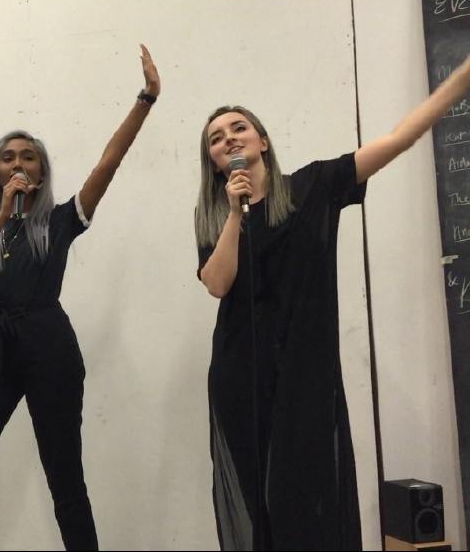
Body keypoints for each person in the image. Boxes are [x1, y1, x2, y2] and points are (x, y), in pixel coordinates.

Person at [194, 54, 470, 550]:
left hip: (305, 371)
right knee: (259, 501)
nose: (229, 138)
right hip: (242, 372)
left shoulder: (313, 186)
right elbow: (217, 284)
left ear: (262, 141)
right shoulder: (215, 216)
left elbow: (396, 141)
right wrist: (236, 215)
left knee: (305, 493)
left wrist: (457, 84)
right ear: (213, 160)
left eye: (239, 128)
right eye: (217, 138)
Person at [0, 45, 160, 551]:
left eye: (28, 156)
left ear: (40, 171)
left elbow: (110, 159)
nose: (18, 163)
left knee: (66, 484)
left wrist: (145, 100)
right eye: (8, 157)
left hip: (49, 347)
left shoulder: (61, 220)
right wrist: (0, 215)